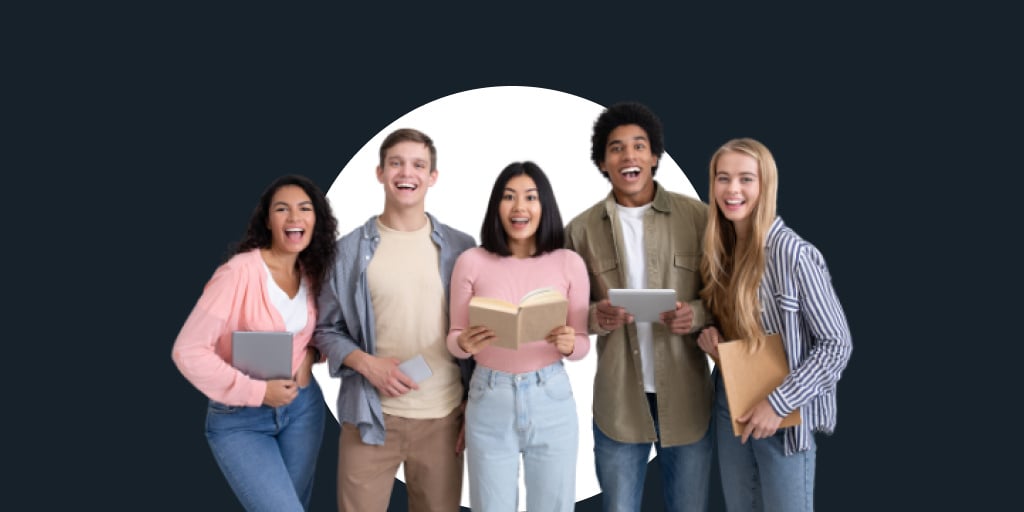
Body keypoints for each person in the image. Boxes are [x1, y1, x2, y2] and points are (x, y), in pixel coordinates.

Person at [312, 128, 476, 512]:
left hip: (443, 420)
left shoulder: (462, 248)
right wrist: (366, 364)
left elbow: (480, 336)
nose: (408, 173)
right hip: (369, 418)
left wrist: (476, 404)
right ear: (380, 172)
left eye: (419, 165)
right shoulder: (346, 253)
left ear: (432, 176)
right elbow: (325, 329)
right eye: (396, 163)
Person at [564, 101, 714, 511]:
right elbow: (560, 311)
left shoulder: (698, 218)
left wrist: (696, 314)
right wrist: (596, 316)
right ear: (602, 163)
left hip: (687, 396)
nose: (628, 155)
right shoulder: (579, 231)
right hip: (619, 399)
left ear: (655, 157)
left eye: (639, 146)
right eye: (616, 148)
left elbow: (724, 298)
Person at [696, 137, 852, 511]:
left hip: (782, 415)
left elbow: (836, 344)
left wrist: (778, 403)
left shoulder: (793, 254)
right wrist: (716, 342)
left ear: (766, 186)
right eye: (723, 178)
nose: (732, 189)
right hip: (730, 402)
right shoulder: (721, 249)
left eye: (746, 179)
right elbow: (745, 332)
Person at [171, 174, 338, 511]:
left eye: (304, 209)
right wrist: (259, 392)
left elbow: (319, 331)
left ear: (315, 219)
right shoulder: (238, 273)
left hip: (303, 410)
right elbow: (187, 351)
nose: (294, 217)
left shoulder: (312, 270)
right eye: (282, 209)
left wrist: (312, 353)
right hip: (240, 420)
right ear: (268, 220)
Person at [447, 161, 590, 512]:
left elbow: (582, 343)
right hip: (489, 397)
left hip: (551, 398)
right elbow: (453, 336)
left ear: (545, 207)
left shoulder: (568, 262)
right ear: (497, 206)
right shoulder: (472, 261)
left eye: (530, 197)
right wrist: (464, 344)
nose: (519, 207)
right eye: (509, 197)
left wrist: (571, 344)